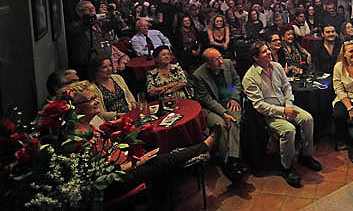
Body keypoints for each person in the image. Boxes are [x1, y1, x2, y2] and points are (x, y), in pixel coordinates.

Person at [58, 81, 217, 202]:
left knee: (156, 151)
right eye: (91, 99)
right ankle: (203, 146)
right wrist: (138, 162)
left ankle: (163, 195)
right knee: (161, 159)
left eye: (95, 98)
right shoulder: (78, 137)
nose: (96, 101)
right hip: (116, 180)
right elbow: (101, 176)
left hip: (122, 161)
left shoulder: (88, 125)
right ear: (76, 108)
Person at [242, 41, 322, 188]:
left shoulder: (277, 67)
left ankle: (306, 155)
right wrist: (283, 111)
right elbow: (259, 105)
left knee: (308, 119)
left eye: (268, 50)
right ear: (255, 57)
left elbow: (287, 87)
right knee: (288, 130)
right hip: (269, 114)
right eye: (264, 52)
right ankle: (286, 167)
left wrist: (288, 106)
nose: (269, 53)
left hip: (286, 106)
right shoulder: (249, 77)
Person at [191, 48, 245, 184]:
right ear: (207, 64)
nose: (221, 61)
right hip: (211, 108)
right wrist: (224, 113)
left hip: (229, 101)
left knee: (234, 121)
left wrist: (233, 96)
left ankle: (232, 160)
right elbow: (206, 99)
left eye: (220, 57)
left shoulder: (228, 64)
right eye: (216, 60)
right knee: (220, 124)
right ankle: (230, 163)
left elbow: (236, 83)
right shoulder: (198, 75)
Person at [67, 0, 113, 78]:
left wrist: (113, 16)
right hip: (87, 66)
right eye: (87, 9)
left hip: (104, 62)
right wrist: (87, 20)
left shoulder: (99, 23)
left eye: (93, 8)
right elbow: (79, 29)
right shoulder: (75, 26)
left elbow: (114, 25)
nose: (92, 10)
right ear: (79, 12)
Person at [88, 54, 137, 121]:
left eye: (110, 66)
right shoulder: (92, 88)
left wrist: (133, 104)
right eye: (104, 67)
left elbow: (129, 95)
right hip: (113, 121)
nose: (109, 69)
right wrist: (118, 115)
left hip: (129, 114)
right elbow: (100, 113)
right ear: (96, 70)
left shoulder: (117, 78)